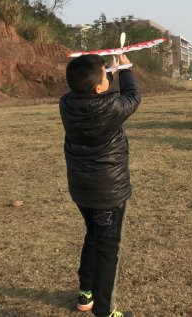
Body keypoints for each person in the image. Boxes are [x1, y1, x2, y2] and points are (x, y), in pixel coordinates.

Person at [60, 54, 141, 317]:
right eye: (106, 76)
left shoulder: (67, 103)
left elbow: (99, 92)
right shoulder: (110, 107)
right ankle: (105, 311)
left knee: (93, 237)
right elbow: (132, 97)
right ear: (98, 88)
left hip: (82, 189)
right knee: (108, 249)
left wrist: (111, 71)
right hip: (109, 192)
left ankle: (86, 293)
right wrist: (127, 69)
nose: (109, 78)